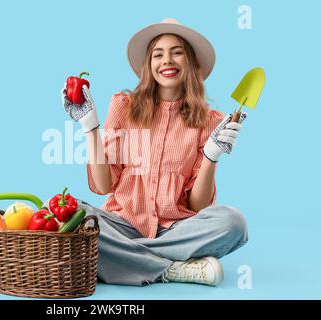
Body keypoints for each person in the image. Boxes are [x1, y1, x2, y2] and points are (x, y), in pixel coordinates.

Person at [59, 18, 248, 287]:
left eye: (177, 52)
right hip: (120, 224)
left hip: (175, 230)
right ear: (149, 65)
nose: (166, 61)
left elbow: (199, 206)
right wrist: (90, 127)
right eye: (158, 54)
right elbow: (102, 186)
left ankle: (118, 258)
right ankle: (173, 269)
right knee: (67, 214)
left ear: (191, 63)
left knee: (233, 222)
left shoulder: (210, 121)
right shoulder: (124, 106)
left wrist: (211, 156)